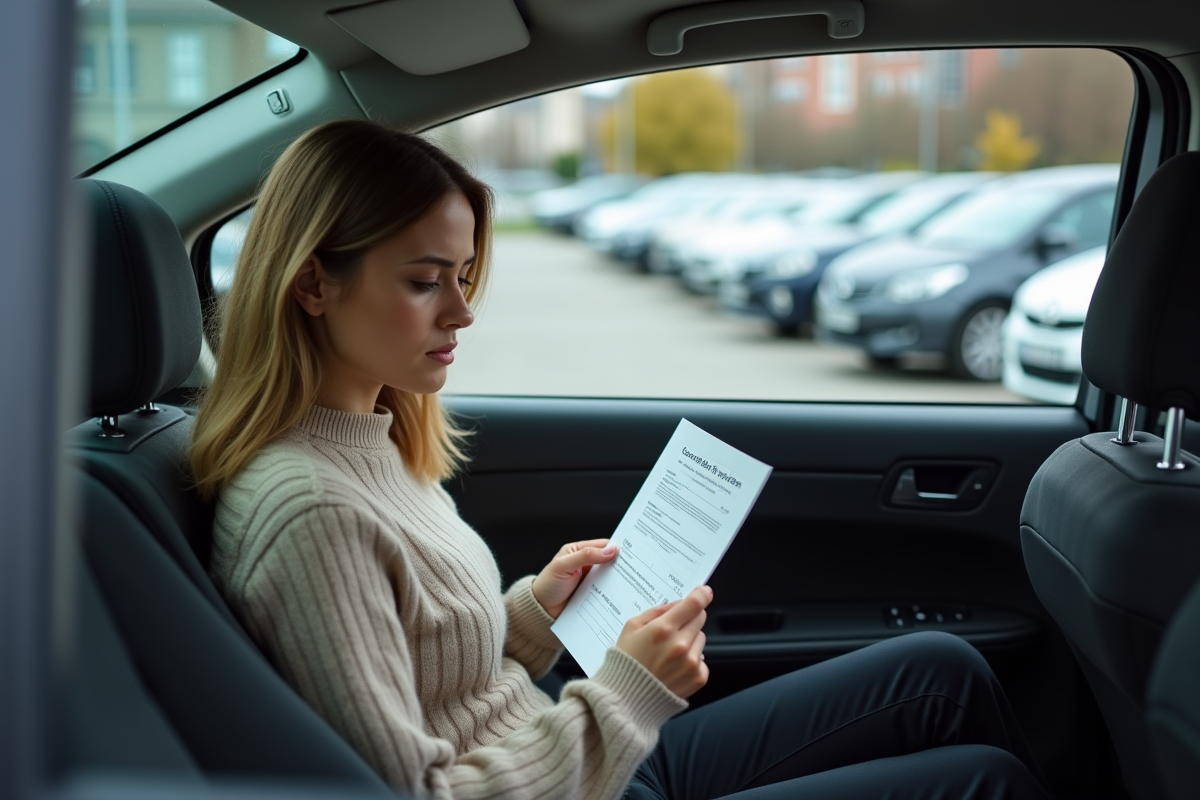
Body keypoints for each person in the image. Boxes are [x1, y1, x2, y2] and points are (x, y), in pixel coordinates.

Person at [191, 119, 1052, 800]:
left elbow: (434, 682)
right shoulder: (312, 511)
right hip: (579, 766)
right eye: (425, 281)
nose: (462, 312)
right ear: (311, 285)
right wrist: (630, 690)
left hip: (575, 758)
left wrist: (531, 613)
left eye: (464, 275)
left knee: (943, 669)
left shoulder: (372, 441)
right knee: (989, 781)